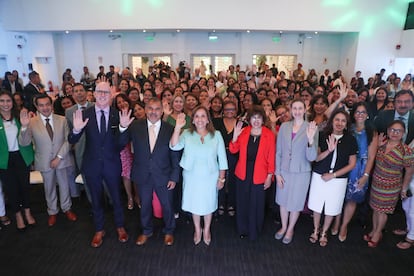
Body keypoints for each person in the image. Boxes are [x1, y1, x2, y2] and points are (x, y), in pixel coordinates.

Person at [68, 81, 134, 248]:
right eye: (100, 92)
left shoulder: (116, 114)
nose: (103, 95)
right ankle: (99, 229)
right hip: (91, 165)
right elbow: (72, 140)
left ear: (110, 95)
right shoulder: (85, 113)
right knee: (96, 199)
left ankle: (120, 226)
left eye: (106, 92)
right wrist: (75, 131)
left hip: (112, 164)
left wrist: (123, 129)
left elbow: (120, 145)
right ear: (94, 94)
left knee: (117, 198)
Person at [170, 106, 228, 245]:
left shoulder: (217, 135)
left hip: (210, 176)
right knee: (195, 204)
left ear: (208, 119)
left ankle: (207, 229)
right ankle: (197, 229)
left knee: (208, 204)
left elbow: (223, 158)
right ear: (193, 120)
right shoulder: (186, 133)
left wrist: (222, 178)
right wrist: (177, 127)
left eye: (203, 116)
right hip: (192, 176)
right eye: (197, 116)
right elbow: (174, 146)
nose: (200, 119)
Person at [19, 94, 77, 226]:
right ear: (37, 106)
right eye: (41, 105)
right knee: (49, 187)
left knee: (64, 185)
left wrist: (59, 157)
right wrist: (23, 127)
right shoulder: (31, 122)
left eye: (47, 104)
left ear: (51, 105)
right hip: (44, 161)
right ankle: (52, 211)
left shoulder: (62, 120)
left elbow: (69, 140)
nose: (45, 108)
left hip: (62, 159)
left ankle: (67, 208)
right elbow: (24, 143)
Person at [130, 97, 180, 246]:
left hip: (164, 174)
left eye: (157, 109)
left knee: (167, 205)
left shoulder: (170, 129)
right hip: (143, 174)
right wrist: (121, 127)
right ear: (145, 110)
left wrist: (174, 176)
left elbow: (174, 155)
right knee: (144, 204)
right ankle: (146, 231)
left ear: (162, 111)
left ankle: (169, 231)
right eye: (150, 108)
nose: (153, 112)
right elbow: (121, 142)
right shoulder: (135, 127)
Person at [308, 109, 357, 247]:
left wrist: (333, 175)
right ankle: (316, 230)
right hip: (319, 176)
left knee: (331, 207)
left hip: (338, 179)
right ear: (332, 121)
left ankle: (324, 232)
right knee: (317, 206)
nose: (339, 123)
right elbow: (316, 158)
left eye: (343, 121)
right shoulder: (323, 135)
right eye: (337, 120)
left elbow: (352, 164)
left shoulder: (350, 139)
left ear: (346, 124)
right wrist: (329, 150)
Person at [274, 100, 318, 244]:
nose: (297, 111)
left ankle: (290, 228)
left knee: (296, 202)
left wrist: (311, 140)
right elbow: (278, 152)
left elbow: (312, 157)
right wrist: (277, 172)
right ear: (290, 110)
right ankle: (284, 226)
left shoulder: (311, 127)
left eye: (300, 108)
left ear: (305, 109)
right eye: (295, 108)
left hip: (301, 172)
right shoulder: (284, 127)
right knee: (283, 201)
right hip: (284, 170)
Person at [229, 105, 275, 240]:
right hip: (243, 171)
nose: (256, 121)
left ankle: (254, 230)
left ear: (263, 120)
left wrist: (269, 176)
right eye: (253, 118)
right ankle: (242, 228)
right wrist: (235, 137)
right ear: (249, 119)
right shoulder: (243, 131)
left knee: (257, 203)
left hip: (261, 173)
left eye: (259, 118)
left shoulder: (269, 134)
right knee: (243, 201)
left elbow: (271, 157)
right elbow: (233, 150)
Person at [333, 102, 378, 242]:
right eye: (357, 112)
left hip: (360, 169)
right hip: (344, 165)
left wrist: (365, 175)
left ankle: (343, 226)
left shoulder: (372, 132)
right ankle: (336, 222)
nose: (360, 114)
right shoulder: (348, 128)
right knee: (339, 197)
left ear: (367, 115)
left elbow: (371, 157)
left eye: (363, 112)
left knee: (352, 199)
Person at [366, 120, 414, 248]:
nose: (395, 133)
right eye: (392, 130)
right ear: (388, 131)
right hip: (377, 182)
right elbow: (371, 158)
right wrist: (377, 146)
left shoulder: (406, 150)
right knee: (375, 208)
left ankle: (378, 233)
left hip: (391, 186)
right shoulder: (382, 144)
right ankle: (374, 229)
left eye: (398, 131)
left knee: (383, 211)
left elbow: (409, 171)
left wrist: (404, 189)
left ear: (403, 133)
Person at [0, 91, 35, 231]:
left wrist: (25, 125)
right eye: (2, 101)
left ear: (13, 102)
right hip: (4, 159)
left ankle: (27, 211)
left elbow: (27, 138)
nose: (5, 104)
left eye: (8, 101)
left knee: (25, 186)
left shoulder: (20, 116)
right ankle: (18, 215)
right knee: (11, 189)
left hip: (21, 156)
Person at [213, 100, 239, 217]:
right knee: (219, 178)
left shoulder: (240, 124)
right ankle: (220, 203)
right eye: (227, 109)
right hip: (219, 155)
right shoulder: (216, 122)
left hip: (235, 155)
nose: (229, 112)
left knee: (233, 180)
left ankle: (232, 204)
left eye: (232, 109)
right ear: (223, 111)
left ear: (236, 111)